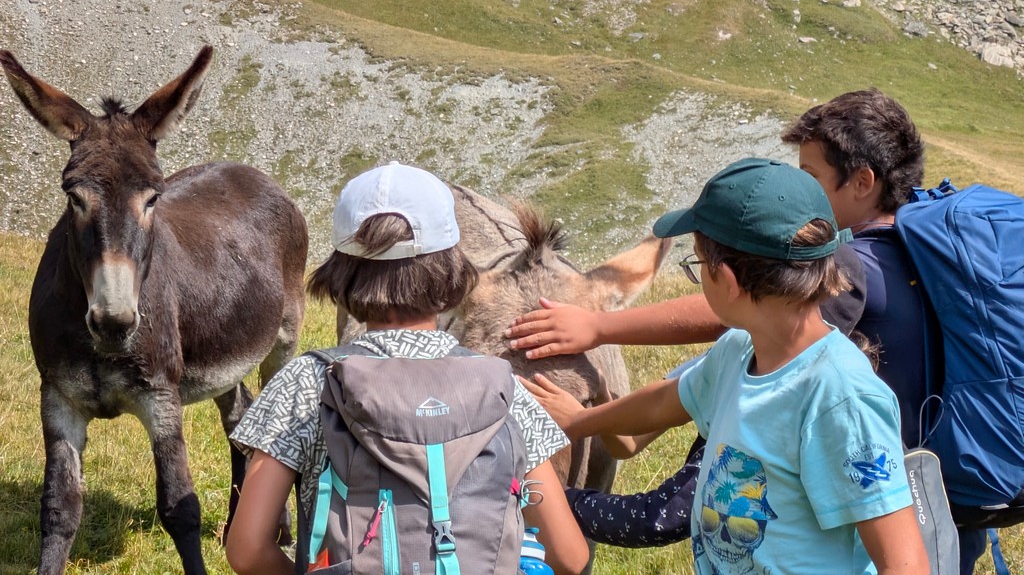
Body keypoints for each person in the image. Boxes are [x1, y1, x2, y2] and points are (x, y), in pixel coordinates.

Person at [508, 88, 987, 570]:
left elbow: (905, 564)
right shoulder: (739, 350)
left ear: (729, 281)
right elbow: (663, 401)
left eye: (697, 264)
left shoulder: (841, 399)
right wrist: (579, 422)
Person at [224, 162, 589, 575]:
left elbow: (247, 550)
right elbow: (570, 556)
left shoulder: (307, 382)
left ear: (341, 272)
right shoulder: (504, 388)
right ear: (452, 268)